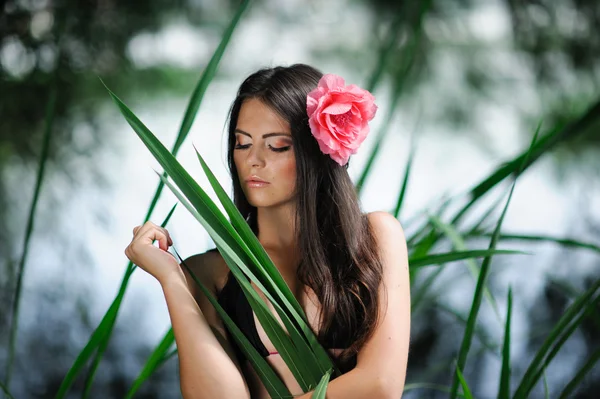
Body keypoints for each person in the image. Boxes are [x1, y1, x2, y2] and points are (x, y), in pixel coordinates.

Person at [125, 64, 411, 399]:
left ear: (316, 151)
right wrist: (172, 280)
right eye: (242, 144)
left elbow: (381, 386)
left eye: (276, 146)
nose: (253, 161)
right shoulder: (211, 274)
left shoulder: (376, 237)